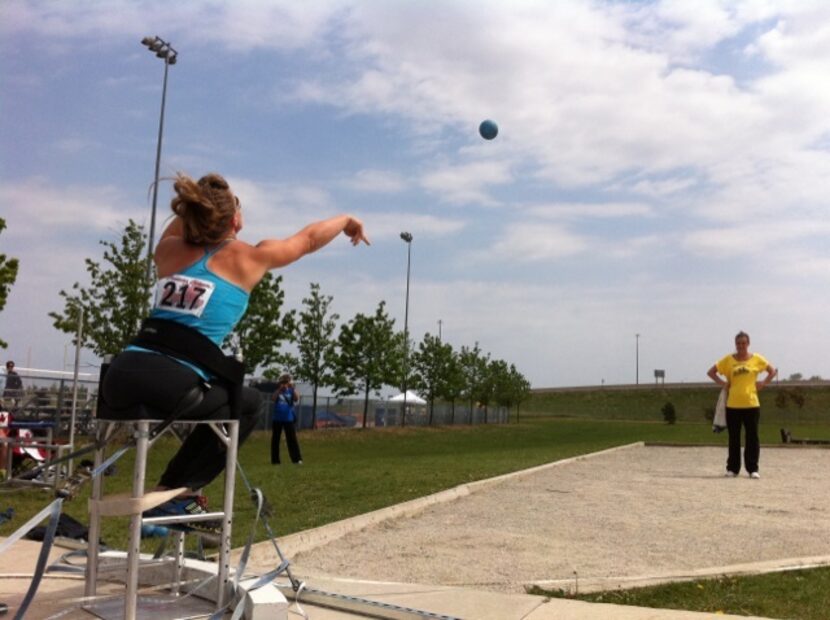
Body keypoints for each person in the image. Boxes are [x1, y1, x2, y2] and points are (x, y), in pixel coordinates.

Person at [101, 172, 368, 524]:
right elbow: (307, 240)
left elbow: (181, 225)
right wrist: (347, 220)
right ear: (234, 219)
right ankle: (178, 491)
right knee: (249, 402)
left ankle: (173, 491)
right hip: (169, 383)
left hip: (119, 376)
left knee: (219, 398)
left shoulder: (168, 252)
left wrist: (200, 206)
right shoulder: (250, 258)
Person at [707, 331, 776, 479]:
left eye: (743, 343)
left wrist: (763, 383)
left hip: (751, 404)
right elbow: (711, 372)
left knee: (752, 437)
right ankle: (732, 468)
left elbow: (772, 371)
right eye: (738, 343)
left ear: (748, 344)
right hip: (733, 405)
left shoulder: (756, 359)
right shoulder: (728, 360)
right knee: (734, 438)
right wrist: (723, 384)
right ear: (735, 344)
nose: (741, 346)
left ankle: (752, 468)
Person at [271, 373, 302, 465]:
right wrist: (279, 390)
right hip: (277, 419)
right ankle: (275, 460)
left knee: (292, 439)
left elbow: (297, 398)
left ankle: (296, 459)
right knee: (275, 440)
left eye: (286, 382)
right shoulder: (278, 391)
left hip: (288, 419)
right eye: (282, 382)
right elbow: (273, 398)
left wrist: (292, 388)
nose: (284, 384)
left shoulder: (291, 391)